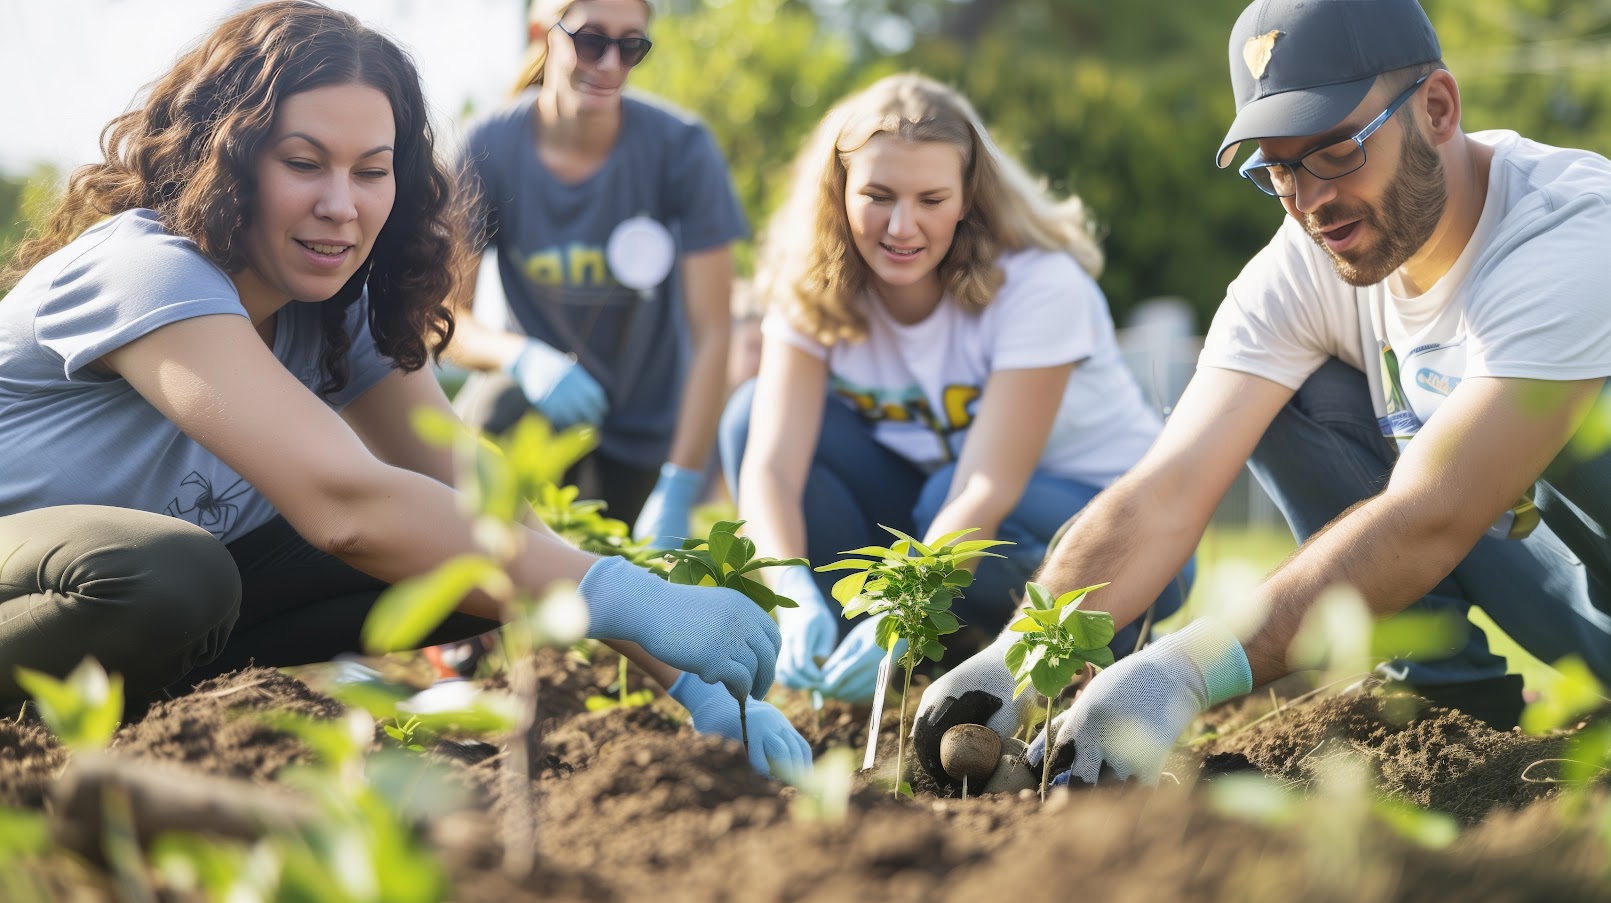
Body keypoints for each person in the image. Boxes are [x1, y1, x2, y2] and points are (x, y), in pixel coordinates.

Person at [0, 0, 807, 778]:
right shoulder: (147, 268)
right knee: (176, 573)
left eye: (372, 171)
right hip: (35, 574)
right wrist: (624, 592)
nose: (340, 206)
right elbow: (344, 505)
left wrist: (686, 680)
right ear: (229, 157)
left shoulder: (336, 304)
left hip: (131, 605)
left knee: (471, 562)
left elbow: (475, 500)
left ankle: (161, 702)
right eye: (303, 163)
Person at [914, 0, 1611, 788]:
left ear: (1438, 109)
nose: (1308, 199)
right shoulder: (1313, 258)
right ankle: (1442, 701)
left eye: (1334, 151)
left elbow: (1433, 513)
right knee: (1283, 392)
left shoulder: (1569, 234)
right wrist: (1020, 657)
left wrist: (1183, 668)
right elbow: (1166, 488)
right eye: (1275, 168)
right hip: (1561, 600)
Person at [720, 73, 1192, 707]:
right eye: (878, 196)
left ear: (969, 197)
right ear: (839, 191)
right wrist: (793, 591)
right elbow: (771, 466)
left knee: (948, 495)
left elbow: (984, 486)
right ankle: (842, 665)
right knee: (746, 418)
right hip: (943, 530)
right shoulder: (813, 289)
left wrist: (904, 616)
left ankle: (1052, 659)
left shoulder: (1038, 287)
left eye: (931, 200)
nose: (902, 226)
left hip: (1127, 539)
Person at [444, 0, 744, 550]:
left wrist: (680, 485)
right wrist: (524, 359)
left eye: (632, 46)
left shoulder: (681, 148)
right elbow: (443, 318)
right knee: (493, 422)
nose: (610, 63)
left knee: (622, 594)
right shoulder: (489, 146)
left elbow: (712, 333)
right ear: (543, 32)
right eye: (590, 41)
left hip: (648, 433)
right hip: (537, 414)